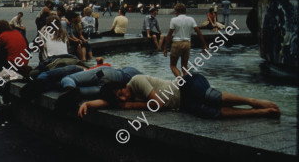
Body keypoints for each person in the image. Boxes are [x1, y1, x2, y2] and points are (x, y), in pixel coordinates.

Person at [78, 73, 281, 119]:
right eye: (118, 98)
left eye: (120, 93)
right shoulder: (122, 99)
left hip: (187, 85)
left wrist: (131, 106)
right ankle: (260, 112)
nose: (122, 98)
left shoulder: (137, 81)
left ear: (123, 85)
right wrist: (87, 103)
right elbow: (106, 101)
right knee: (213, 114)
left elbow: (159, 104)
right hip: (183, 104)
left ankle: (252, 101)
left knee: (211, 97)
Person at [163, 3, 208, 77]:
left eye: (175, 11)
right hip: (187, 43)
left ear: (177, 11)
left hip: (177, 43)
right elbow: (198, 32)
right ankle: (187, 83)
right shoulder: (191, 19)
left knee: (173, 66)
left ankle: (180, 80)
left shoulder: (174, 20)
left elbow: (169, 35)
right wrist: (204, 44)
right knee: (184, 67)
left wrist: (165, 48)